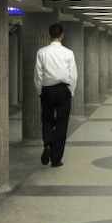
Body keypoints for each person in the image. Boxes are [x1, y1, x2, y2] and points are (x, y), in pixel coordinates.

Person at [34, 23, 77, 168]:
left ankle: (48, 143)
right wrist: (71, 91)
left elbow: (38, 75)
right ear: (62, 35)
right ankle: (56, 159)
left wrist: (40, 91)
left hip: (47, 90)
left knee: (47, 119)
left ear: (49, 35)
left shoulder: (42, 52)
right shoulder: (68, 53)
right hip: (63, 90)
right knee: (61, 124)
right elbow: (73, 75)